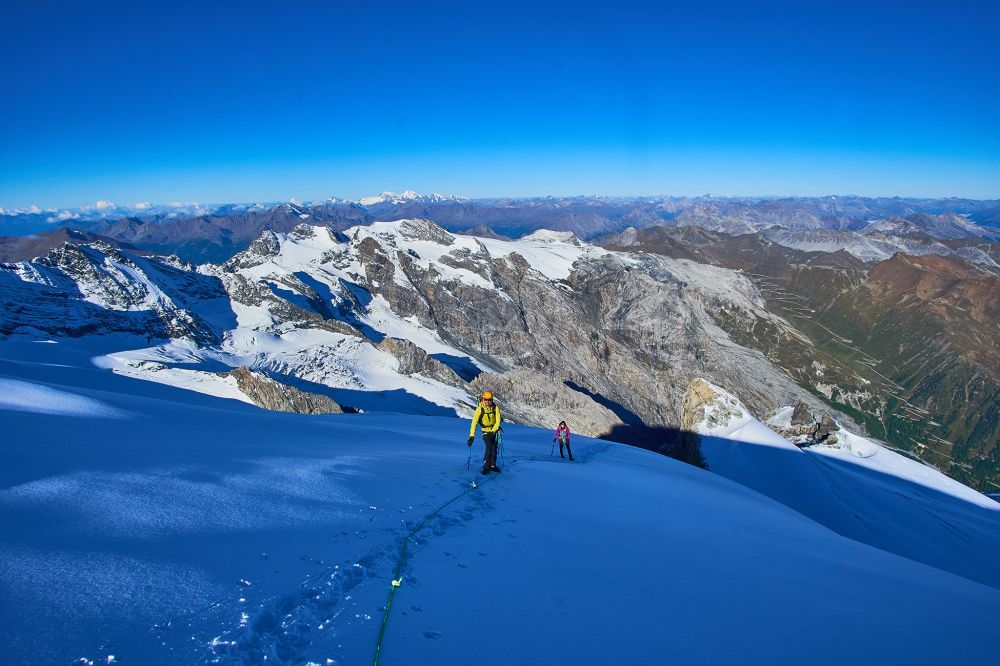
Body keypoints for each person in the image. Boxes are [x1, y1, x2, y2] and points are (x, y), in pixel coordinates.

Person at [468, 391, 503, 475]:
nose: (487, 401)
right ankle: (486, 467)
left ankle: (492, 465)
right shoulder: (480, 409)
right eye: (485, 400)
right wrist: (471, 436)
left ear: (492, 399)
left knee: (494, 447)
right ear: (483, 399)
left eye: (489, 400)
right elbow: (474, 423)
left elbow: (498, 422)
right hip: (485, 431)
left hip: (494, 430)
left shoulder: (495, 408)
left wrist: (493, 431)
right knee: (489, 447)